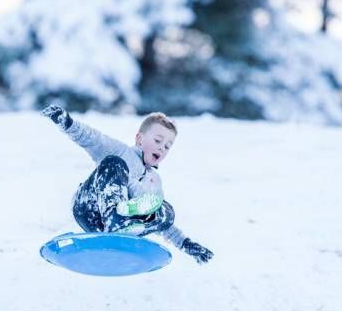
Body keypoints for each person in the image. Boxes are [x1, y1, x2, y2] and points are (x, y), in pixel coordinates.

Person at [41, 105, 214, 264]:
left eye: (168, 146)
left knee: (165, 210)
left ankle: (127, 225)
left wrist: (186, 244)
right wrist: (67, 122)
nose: (162, 148)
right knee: (114, 163)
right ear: (139, 139)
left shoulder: (154, 182)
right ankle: (117, 221)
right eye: (158, 141)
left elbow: (163, 223)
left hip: (124, 224)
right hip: (89, 208)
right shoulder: (121, 151)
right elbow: (91, 138)